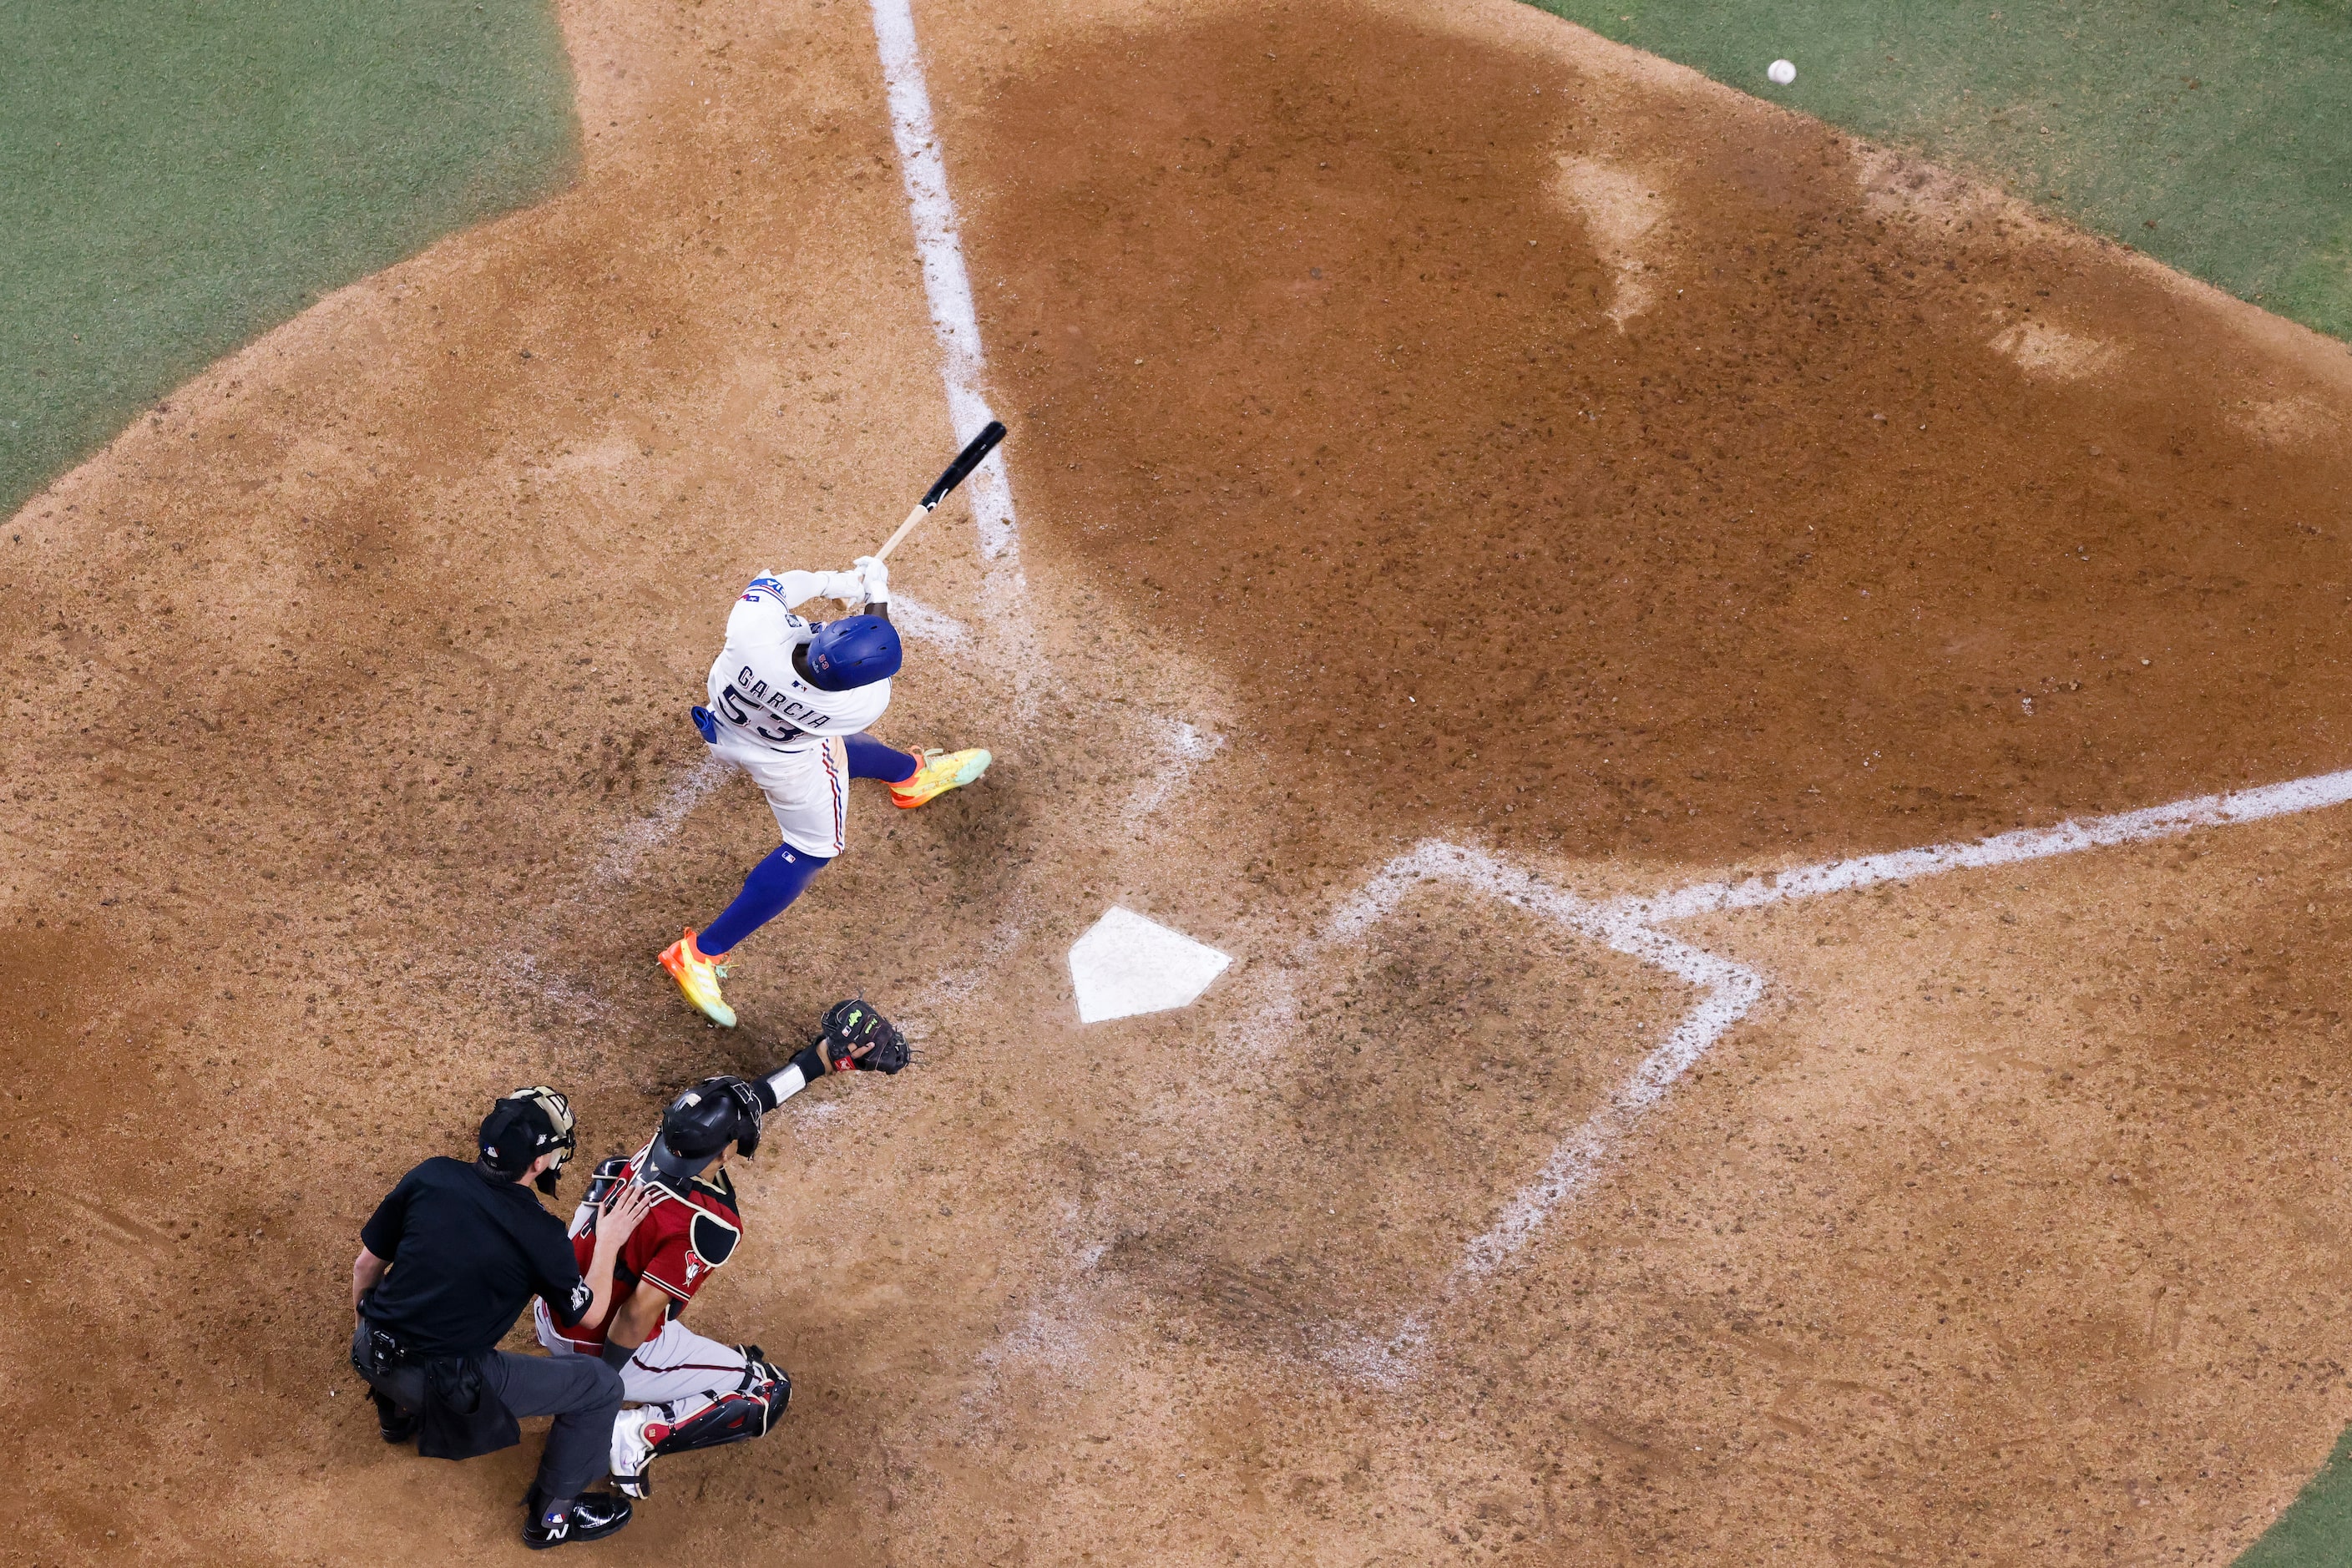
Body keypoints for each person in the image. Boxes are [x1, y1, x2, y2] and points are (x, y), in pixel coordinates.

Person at [532, 999, 911, 1495]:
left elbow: (747, 1102)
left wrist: (820, 1060)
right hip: (599, 1344)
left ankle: (584, 1368)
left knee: (611, 1173)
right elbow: (633, 1319)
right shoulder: (709, 1223)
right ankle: (632, 1436)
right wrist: (596, 1387)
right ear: (728, 1148)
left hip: (556, 1308)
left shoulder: (666, 1143)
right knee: (764, 1389)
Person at [658, 554, 990, 1028]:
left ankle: (909, 775)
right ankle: (700, 954)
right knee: (813, 849)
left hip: (726, 727)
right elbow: (872, 655)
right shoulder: (861, 704)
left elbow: (776, 586)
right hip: (783, 760)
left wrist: (838, 582)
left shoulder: (751, 633)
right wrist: (877, 594)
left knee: (834, 751)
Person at [351, 1086, 662, 1550]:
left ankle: (394, 1417)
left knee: (410, 1313)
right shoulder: (539, 1232)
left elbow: (366, 1268)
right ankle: (552, 1518)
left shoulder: (431, 1175)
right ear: (537, 1164)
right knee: (600, 1386)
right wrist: (609, 1240)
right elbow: (588, 1315)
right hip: (444, 1385)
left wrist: (368, 1333)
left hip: (369, 1352)